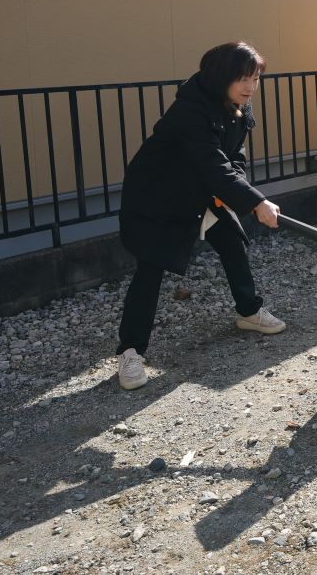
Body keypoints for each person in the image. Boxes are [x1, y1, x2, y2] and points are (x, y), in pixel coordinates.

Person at [116, 41, 286, 390]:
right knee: (152, 267)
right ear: (221, 76)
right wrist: (255, 201)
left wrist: (239, 193)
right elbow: (211, 163)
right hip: (159, 197)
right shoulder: (190, 111)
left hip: (203, 190)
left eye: (255, 78)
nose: (251, 87)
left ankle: (249, 311)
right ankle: (130, 351)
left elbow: (231, 160)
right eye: (243, 78)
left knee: (233, 242)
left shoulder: (237, 109)